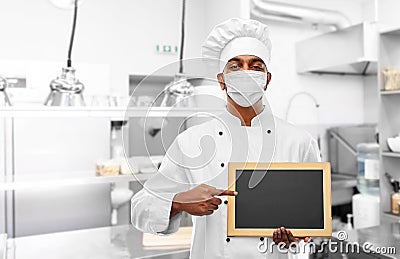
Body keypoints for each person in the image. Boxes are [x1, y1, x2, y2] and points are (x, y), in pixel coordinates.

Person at [131, 18, 320, 259]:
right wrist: (178, 202)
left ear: (267, 79)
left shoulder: (299, 141)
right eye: (235, 66)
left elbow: (310, 216)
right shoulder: (191, 141)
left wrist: (297, 238)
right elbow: (140, 208)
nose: (246, 72)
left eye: (255, 66)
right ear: (221, 80)